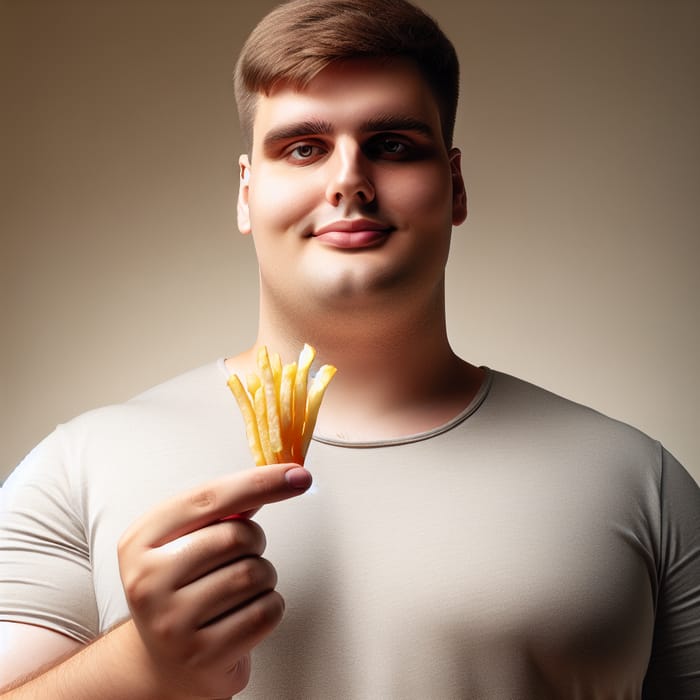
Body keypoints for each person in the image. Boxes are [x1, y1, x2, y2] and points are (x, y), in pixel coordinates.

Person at [1, 0, 698, 697]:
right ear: (247, 193)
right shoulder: (80, 467)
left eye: (393, 144)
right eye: (303, 147)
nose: (348, 180)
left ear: (454, 185)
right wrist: (142, 667)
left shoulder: (641, 482)